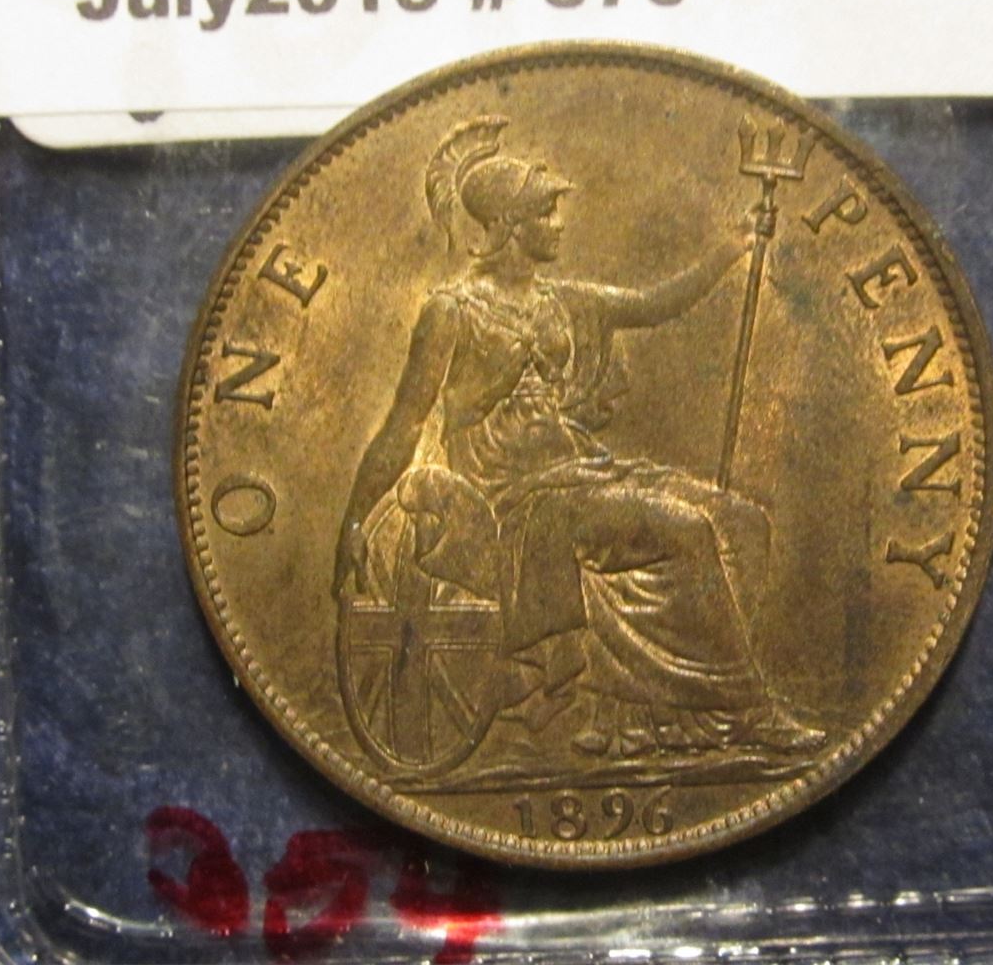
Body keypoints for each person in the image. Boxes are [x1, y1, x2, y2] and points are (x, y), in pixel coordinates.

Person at [334, 115, 822, 759]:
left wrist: (734, 249)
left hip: (579, 475)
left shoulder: (559, 300)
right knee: (684, 529)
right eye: (546, 212)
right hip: (514, 504)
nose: (560, 224)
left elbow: (654, 304)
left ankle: (662, 717)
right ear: (509, 225)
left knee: (742, 522)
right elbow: (404, 423)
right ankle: (750, 709)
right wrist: (355, 519)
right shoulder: (451, 313)